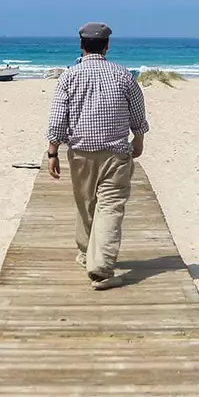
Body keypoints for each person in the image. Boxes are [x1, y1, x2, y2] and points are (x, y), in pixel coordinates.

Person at [46, 22, 148, 290]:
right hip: (116, 153)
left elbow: (58, 118)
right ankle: (100, 266)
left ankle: (87, 254)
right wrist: (138, 138)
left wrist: (52, 152)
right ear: (107, 46)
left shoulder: (68, 77)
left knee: (85, 203)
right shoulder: (123, 75)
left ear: (81, 45)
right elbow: (138, 111)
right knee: (109, 207)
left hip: (80, 152)